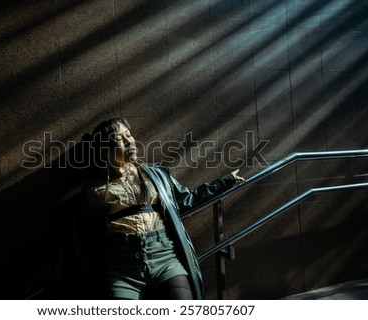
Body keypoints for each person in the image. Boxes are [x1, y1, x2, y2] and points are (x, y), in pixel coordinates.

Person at [78, 118, 244, 300]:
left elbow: (186, 200)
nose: (129, 141)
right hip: (121, 265)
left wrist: (224, 182)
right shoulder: (93, 190)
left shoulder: (156, 174)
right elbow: (86, 237)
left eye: (129, 135)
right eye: (119, 138)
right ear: (104, 149)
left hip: (164, 256)